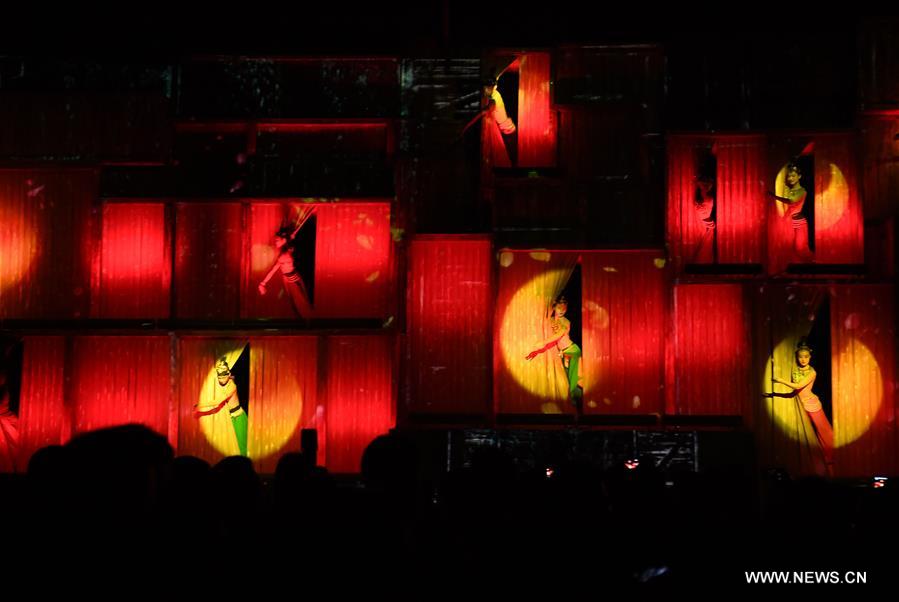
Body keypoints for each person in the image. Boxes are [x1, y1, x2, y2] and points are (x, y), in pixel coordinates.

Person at [766, 341, 834, 472]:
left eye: (806, 357)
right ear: (797, 357)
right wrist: (774, 394)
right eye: (800, 356)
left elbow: (798, 386)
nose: (803, 359)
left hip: (812, 404)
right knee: (807, 435)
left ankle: (831, 457)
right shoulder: (795, 370)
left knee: (824, 431)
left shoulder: (812, 372)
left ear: (810, 357)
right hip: (801, 406)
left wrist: (780, 380)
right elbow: (794, 392)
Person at [525, 296, 583, 406]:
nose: (562, 311)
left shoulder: (566, 321)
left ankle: (580, 410)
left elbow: (559, 334)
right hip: (562, 353)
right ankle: (574, 410)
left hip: (572, 351)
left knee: (575, 382)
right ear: (554, 307)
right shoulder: (550, 320)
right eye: (559, 308)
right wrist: (537, 350)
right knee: (568, 383)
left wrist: (544, 342)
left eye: (564, 308)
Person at [258, 207, 315, 319]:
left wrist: (263, 283)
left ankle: (307, 323)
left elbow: (273, 270)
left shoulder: (284, 256)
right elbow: (290, 238)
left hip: (292, 281)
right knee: (298, 305)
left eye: (277, 240)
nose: (275, 242)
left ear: (284, 240)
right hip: (290, 280)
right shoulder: (288, 250)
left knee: (300, 305)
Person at [193, 358, 247, 457]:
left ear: (228, 375)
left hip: (239, 416)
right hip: (231, 417)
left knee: (242, 446)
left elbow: (217, 401)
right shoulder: (226, 381)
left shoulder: (232, 386)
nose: (221, 380)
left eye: (224, 377)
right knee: (233, 445)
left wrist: (200, 405)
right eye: (219, 377)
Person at [768, 162, 813, 263]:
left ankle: (812, 266)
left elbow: (790, 201)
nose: (790, 178)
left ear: (799, 176)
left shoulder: (802, 191)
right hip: (789, 222)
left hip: (799, 223)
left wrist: (773, 196)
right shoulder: (789, 190)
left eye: (793, 176)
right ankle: (796, 271)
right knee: (789, 248)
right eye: (789, 176)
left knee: (800, 248)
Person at [692, 174, 717, 263]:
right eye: (706, 185)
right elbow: (701, 211)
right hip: (704, 225)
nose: (709, 187)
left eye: (709, 185)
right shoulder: (703, 197)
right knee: (704, 247)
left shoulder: (704, 196)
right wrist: (710, 223)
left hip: (706, 225)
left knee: (706, 247)